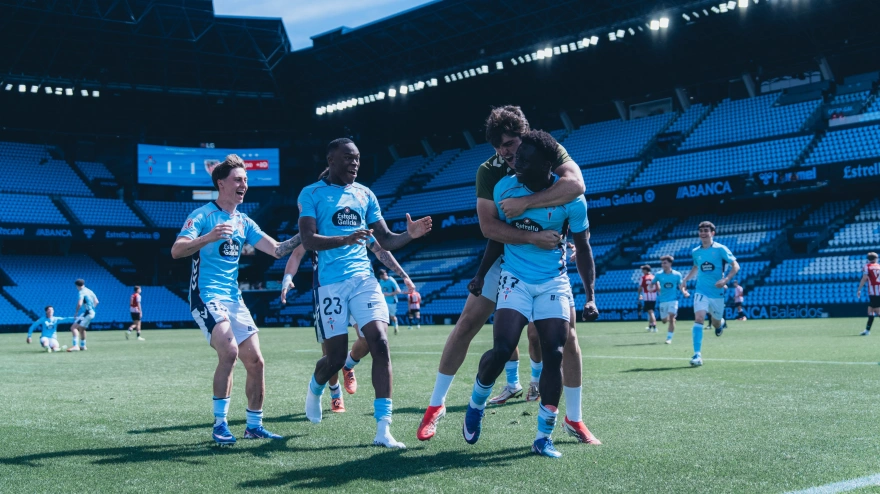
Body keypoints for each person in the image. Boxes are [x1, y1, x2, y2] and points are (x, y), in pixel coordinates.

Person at [419, 106, 594, 443]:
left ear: (525, 136)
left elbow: (576, 186)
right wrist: (531, 236)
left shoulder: (549, 151)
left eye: (510, 143)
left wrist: (527, 204)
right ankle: (435, 406)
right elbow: (489, 228)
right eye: (498, 147)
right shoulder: (489, 171)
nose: (505, 152)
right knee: (467, 324)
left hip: (545, 259)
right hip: (505, 252)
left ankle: (574, 418)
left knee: (568, 338)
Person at [462, 130, 599, 458]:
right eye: (518, 157)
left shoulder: (572, 200)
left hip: (553, 282)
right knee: (502, 349)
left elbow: (583, 247)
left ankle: (543, 436)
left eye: (525, 159)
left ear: (547, 164)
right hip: (515, 279)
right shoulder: (504, 188)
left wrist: (590, 295)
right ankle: (476, 404)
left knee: (554, 353)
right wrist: (480, 274)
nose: (517, 163)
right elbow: (497, 236)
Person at [298, 138, 431, 449]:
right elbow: (308, 240)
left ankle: (384, 429)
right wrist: (345, 239)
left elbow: (385, 239)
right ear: (331, 160)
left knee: (380, 343)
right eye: (348, 158)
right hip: (330, 284)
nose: (354, 163)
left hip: (364, 280)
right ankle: (316, 388)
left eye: (357, 158)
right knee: (334, 359)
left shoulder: (365, 194)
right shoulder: (311, 193)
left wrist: (408, 235)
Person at [171, 154, 301, 445]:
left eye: (246, 180)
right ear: (221, 183)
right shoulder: (203, 215)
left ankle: (254, 426)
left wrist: (305, 234)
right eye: (238, 180)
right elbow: (177, 250)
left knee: (256, 361)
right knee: (229, 352)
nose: (244, 184)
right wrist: (208, 237)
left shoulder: (244, 221)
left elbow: (277, 250)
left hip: (234, 298)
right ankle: (220, 425)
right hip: (206, 295)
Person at [280, 229, 413, 413]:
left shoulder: (355, 220)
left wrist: (403, 275)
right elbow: (296, 253)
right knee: (330, 352)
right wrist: (287, 278)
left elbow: (379, 248)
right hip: (328, 289)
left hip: (358, 286)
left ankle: (349, 364)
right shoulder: (316, 225)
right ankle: (335, 393)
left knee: (368, 339)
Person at [682, 221, 739, 367]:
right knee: (699, 318)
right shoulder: (696, 251)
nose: (703, 233)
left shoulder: (720, 249)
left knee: (715, 322)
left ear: (712, 233)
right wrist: (686, 279)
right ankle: (697, 354)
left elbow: (735, 266)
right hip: (701, 290)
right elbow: (696, 266)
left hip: (717, 293)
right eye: (701, 231)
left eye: (706, 230)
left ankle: (720, 324)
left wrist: (725, 279)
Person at [652, 256, 689, 344]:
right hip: (663, 301)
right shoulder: (658, 274)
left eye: (665, 263)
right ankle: (670, 319)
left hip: (673, 300)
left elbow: (681, 286)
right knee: (664, 321)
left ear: (670, 263)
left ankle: (669, 338)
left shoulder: (677, 274)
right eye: (662, 263)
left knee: (672, 317)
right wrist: (651, 287)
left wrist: (684, 292)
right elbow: (652, 283)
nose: (663, 265)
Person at [66, 279, 98, 352]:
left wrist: (76, 312)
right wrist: (92, 309)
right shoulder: (89, 291)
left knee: (73, 328)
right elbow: (96, 301)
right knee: (82, 329)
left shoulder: (81, 292)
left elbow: (80, 303)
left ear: (77, 286)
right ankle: (83, 346)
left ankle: (75, 346)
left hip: (87, 312)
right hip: (92, 312)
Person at [857, 252, 880, 336]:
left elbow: (865, 278)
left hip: (874, 292)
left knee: (876, 310)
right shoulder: (879, 266)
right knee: (870, 310)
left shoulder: (867, 266)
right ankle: (867, 330)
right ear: (876, 258)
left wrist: (859, 289)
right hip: (877, 292)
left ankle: (867, 331)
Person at [378, 269, 402, 335]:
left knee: (392, 316)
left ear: (385, 274)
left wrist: (389, 294)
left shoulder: (391, 280)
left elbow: (398, 290)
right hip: (383, 301)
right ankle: (382, 331)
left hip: (392, 301)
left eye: (383, 275)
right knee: (381, 316)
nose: (382, 277)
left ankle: (396, 325)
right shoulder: (381, 281)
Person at [638, 265, 658, 332]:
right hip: (654, 297)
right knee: (650, 312)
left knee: (651, 312)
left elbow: (640, 288)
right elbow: (658, 286)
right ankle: (650, 327)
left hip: (647, 297)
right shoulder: (654, 277)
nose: (642, 271)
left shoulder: (643, 278)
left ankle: (654, 327)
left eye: (643, 270)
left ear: (646, 270)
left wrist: (639, 295)